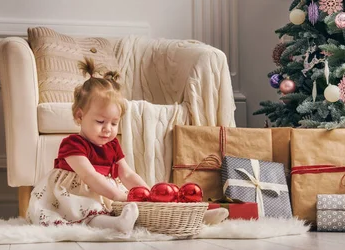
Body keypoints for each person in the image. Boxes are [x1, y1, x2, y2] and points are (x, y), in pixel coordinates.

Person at [27, 58, 228, 232]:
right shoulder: (72, 144)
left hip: (105, 193)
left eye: (114, 123)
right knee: (90, 211)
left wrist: (150, 194)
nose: (108, 129)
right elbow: (89, 175)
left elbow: (127, 174)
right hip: (75, 196)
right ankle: (116, 225)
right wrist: (118, 196)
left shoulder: (112, 144)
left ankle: (195, 219)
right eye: (100, 122)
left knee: (140, 207)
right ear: (80, 116)